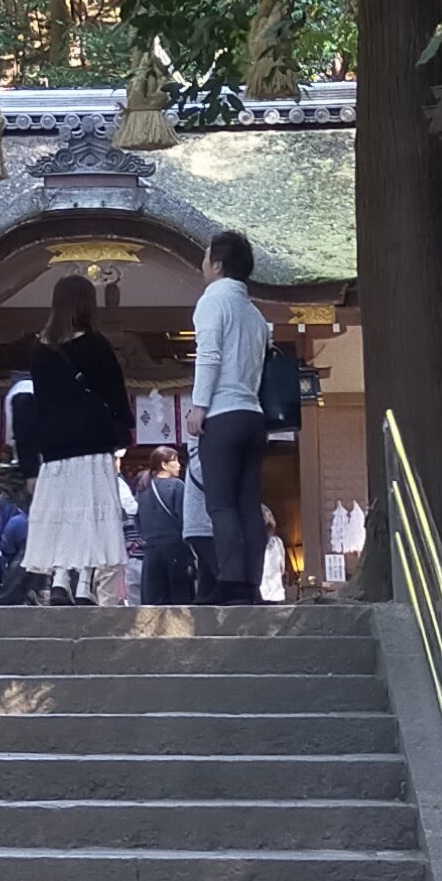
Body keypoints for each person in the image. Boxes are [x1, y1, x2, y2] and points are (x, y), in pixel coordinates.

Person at [19, 274, 134, 600]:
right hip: (93, 443)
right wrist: (123, 426)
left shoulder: (40, 350)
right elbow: (114, 393)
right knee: (91, 514)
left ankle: (59, 580)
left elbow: (40, 401)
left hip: (56, 448)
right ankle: (84, 584)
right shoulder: (97, 345)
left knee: (62, 514)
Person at [188, 226, 274, 605]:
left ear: (218, 265)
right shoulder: (254, 314)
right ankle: (252, 583)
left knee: (221, 504)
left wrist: (199, 406)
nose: (203, 264)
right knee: (248, 503)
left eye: (206, 257)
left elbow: (208, 357)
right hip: (253, 415)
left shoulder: (213, 302)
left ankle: (230, 580)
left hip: (222, 415)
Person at [131, 444, 202, 605]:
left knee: (154, 599)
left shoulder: (143, 487)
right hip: (175, 547)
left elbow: (137, 519)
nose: (179, 465)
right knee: (179, 598)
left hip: (150, 549)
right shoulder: (177, 485)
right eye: (174, 461)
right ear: (164, 464)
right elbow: (184, 517)